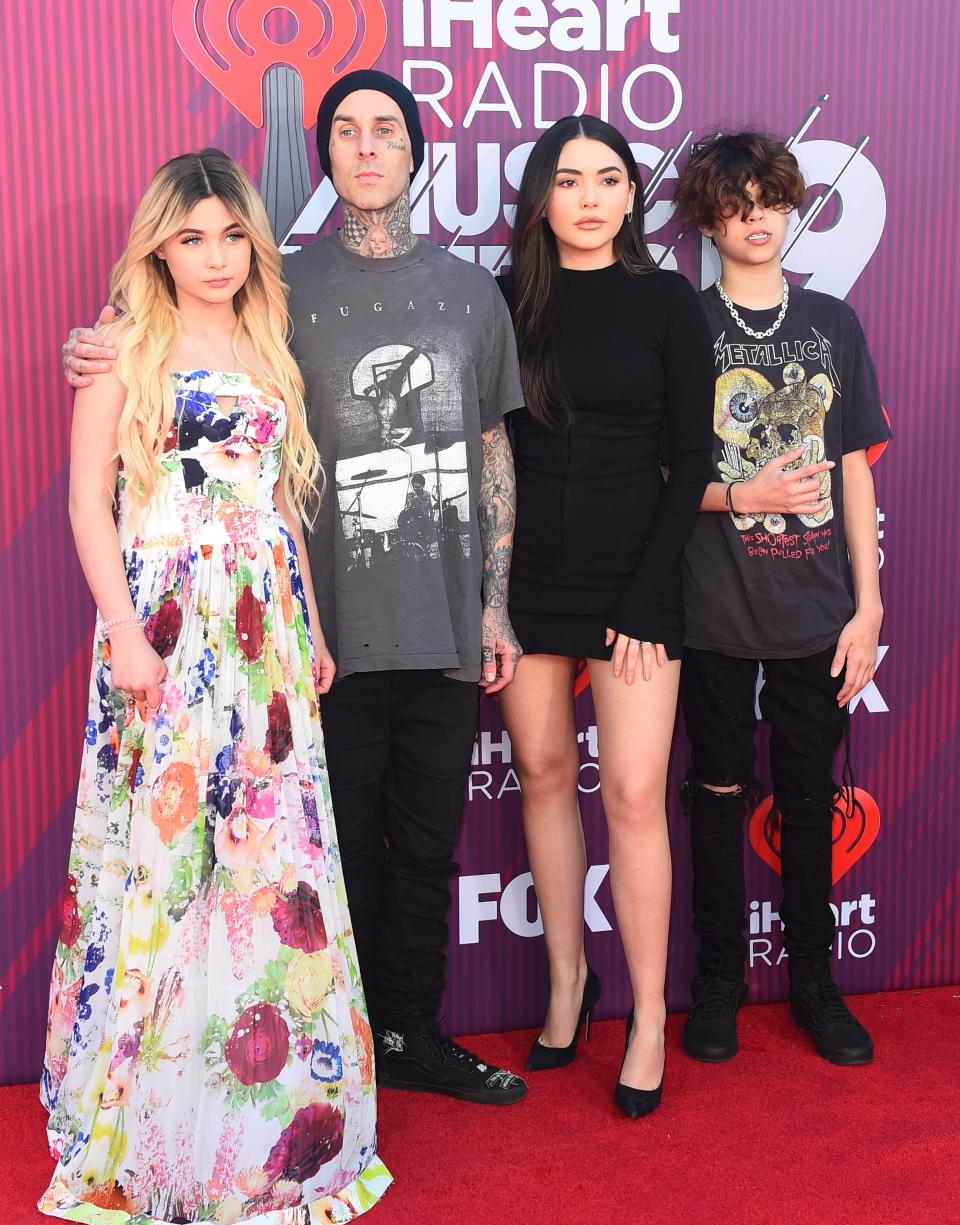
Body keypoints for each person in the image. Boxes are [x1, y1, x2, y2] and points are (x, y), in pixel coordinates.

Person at [64, 71, 528, 1106]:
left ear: (418, 152)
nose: (369, 149)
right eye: (348, 133)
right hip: (231, 631)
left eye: (388, 132)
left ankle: (389, 1040)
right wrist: (91, 343)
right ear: (322, 156)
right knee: (247, 848)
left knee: (362, 850)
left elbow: (487, 451)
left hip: (339, 625)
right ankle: (221, 1067)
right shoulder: (254, 302)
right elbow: (101, 473)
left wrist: (491, 605)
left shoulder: (434, 298)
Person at [42, 149, 391, 1225]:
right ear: (158, 242)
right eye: (190, 237)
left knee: (266, 855)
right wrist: (124, 634)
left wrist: (315, 629)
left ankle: (266, 1108)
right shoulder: (120, 344)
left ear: (253, 242)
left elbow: (280, 501)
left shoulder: (263, 339)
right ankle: (158, 1115)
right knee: (173, 843)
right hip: (167, 618)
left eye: (230, 235)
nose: (212, 256)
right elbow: (88, 505)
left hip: (268, 632)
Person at [496, 116, 714, 1117]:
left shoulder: (667, 301)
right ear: (542, 195)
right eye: (571, 178)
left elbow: (695, 462)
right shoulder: (503, 304)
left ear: (632, 196)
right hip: (529, 576)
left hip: (637, 580)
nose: (590, 195)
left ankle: (651, 1016)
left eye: (610, 178)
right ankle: (566, 986)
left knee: (632, 794)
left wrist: (641, 594)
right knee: (543, 773)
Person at [672, 131, 888, 1066]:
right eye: (737, 202)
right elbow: (665, 471)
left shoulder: (835, 322)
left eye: (772, 199)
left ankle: (814, 982)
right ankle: (719, 979)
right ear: (708, 219)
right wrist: (741, 495)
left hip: (816, 610)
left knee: (809, 795)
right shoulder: (683, 326)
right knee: (719, 793)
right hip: (713, 607)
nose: (758, 217)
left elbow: (854, 472)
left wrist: (868, 607)